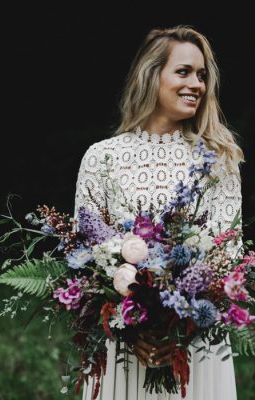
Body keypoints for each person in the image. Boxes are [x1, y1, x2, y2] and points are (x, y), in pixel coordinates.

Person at [74, 24, 244, 400]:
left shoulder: (218, 159)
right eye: (183, 72)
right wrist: (131, 329)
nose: (196, 84)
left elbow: (227, 257)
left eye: (202, 75)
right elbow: (83, 261)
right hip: (121, 345)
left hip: (192, 347)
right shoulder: (101, 157)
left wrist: (177, 333)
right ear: (151, 77)